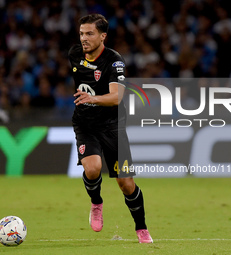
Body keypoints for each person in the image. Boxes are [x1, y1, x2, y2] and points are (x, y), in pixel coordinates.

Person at [68, 14, 153, 243]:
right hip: (85, 124)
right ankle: (96, 203)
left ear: (103, 36)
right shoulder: (75, 54)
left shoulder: (115, 61)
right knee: (93, 168)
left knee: (125, 183)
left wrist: (92, 98)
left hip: (113, 126)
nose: (84, 38)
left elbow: (117, 96)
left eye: (89, 34)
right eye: (81, 33)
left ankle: (141, 228)